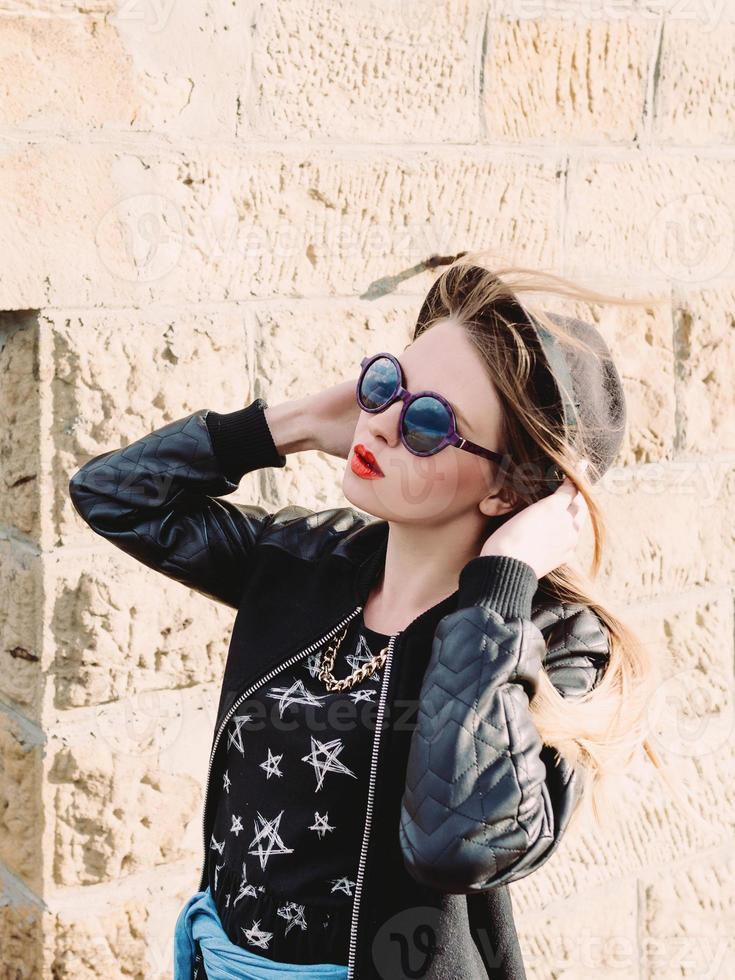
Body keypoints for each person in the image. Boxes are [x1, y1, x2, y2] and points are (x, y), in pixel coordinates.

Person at [68, 254, 666, 980]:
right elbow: (112, 496)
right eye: (384, 385)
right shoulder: (303, 560)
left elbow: (458, 845)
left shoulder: (552, 643)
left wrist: (499, 585)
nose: (378, 423)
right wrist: (280, 425)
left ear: (509, 489)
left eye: (426, 422)